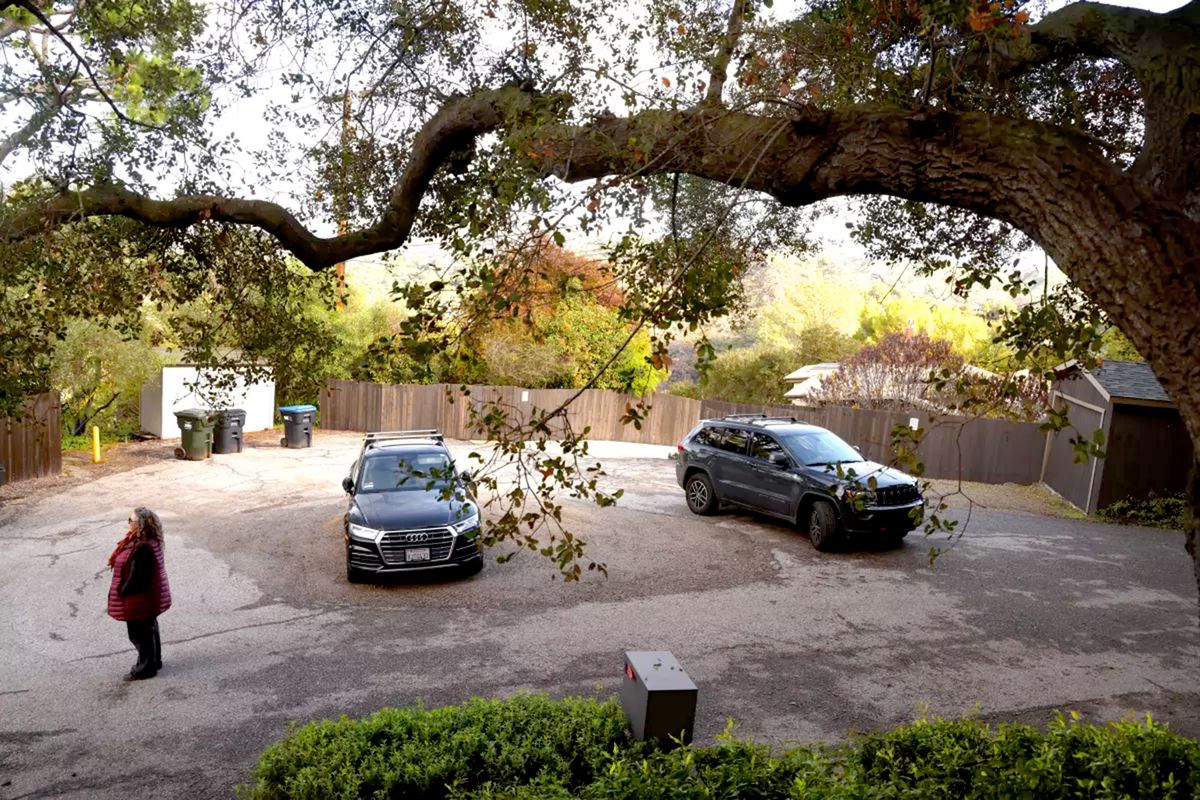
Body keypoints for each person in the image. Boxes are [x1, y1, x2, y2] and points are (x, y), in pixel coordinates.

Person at [106, 507, 173, 681]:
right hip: (150, 598)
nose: (129, 523)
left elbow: (138, 578)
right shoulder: (148, 540)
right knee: (149, 630)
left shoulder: (142, 547)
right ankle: (154, 661)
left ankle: (145, 668)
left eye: (131, 520)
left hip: (140, 600)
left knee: (138, 634)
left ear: (141, 524)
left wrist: (122, 590)